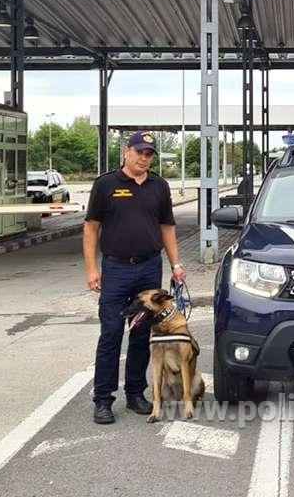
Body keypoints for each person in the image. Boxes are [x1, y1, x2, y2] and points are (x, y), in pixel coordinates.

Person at [83, 130, 185, 424]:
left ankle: (136, 393)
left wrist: (176, 264)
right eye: (139, 151)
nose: (144, 158)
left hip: (149, 269)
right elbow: (91, 228)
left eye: (149, 154)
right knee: (112, 333)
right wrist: (92, 269)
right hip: (116, 270)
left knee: (142, 335)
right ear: (126, 151)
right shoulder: (106, 185)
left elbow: (167, 227)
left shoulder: (159, 186)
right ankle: (102, 399)